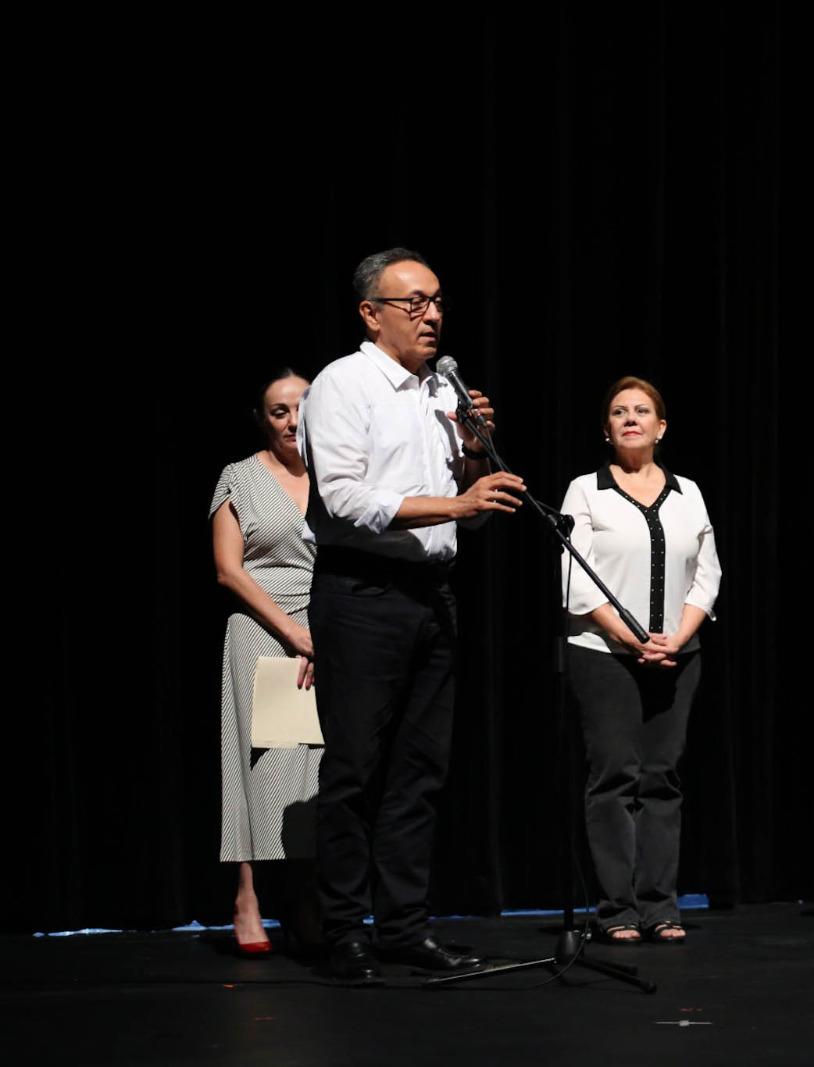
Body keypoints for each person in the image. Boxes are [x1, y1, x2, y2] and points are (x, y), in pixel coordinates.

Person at [299, 248, 526, 983]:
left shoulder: (439, 391)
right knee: (354, 770)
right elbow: (345, 499)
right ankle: (344, 931)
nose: (432, 316)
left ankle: (403, 927)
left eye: (438, 302)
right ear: (372, 313)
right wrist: (458, 503)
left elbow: (466, 514)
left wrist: (472, 455)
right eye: (415, 303)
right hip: (362, 594)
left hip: (433, 593)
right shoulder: (343, 383)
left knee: (420, 771)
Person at [559, 377, 721, 945]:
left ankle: (660, 906)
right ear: (607, 430)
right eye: (619, 412)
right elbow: (576, 578)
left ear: (661, 427)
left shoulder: (688, 491)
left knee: (662, 777)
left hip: (678, 654)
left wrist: (676, 637)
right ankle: (617, 909)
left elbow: (707, 574)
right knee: (614, 776)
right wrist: (632, 638)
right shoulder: (586, 490)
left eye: (642, 410)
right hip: (603, 654)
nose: (631, 418)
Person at [210, 369, 319, 954]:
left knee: (318, 770)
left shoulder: (339, 474)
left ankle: (307, 901)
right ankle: (248, 896)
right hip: (264, 629)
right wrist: (293, 632)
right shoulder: (241, 477)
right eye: (280, 411)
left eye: (302, 407)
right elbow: (229, 570)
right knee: (263, 768)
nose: (293, 421)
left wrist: (321, 633)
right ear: (263, 420)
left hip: (329, 632)